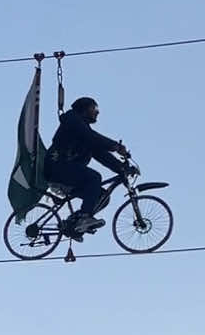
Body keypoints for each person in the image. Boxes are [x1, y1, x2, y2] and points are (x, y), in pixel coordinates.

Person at [44, 97, 136, 238]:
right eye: (94, 109)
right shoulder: (72, 120)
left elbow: (100, 154)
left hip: (66, 170)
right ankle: (84, 217)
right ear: (84, 108)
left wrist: (121, 168)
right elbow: (92, 137)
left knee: (101, 196)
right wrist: (115, 146)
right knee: (94, 177)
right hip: (57, 167)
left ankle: (73, 224)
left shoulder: (83, 131)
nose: (97, 112)